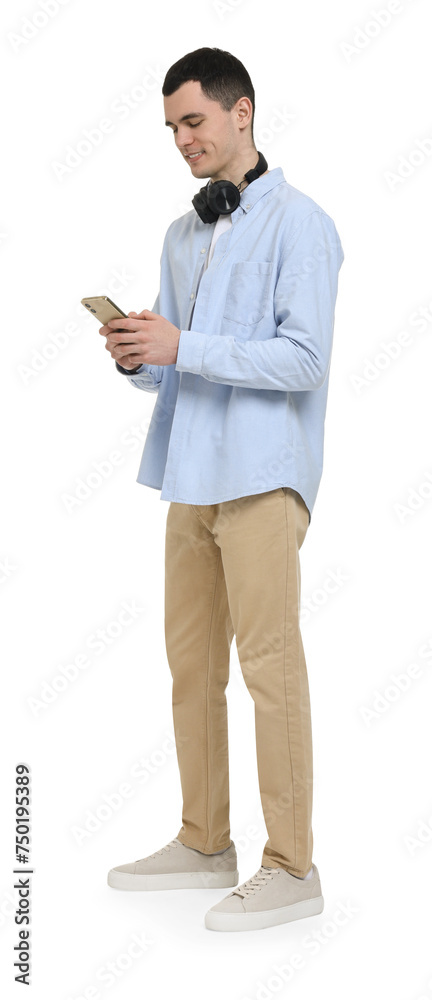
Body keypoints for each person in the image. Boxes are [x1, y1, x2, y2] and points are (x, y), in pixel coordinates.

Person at [102, 47, 344, 932]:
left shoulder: (303, 225)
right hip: (189, 477)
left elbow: (305, 359)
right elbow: (173, 366)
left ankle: (293, 866)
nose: (182, 139)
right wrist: (138, 354)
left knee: (269, 670)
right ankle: (206, 842)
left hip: (263, 477)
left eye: (194, 121)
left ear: (243, 112)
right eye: (172, 127)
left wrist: (186, 346)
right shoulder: (182, 234)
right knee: (191, 668)